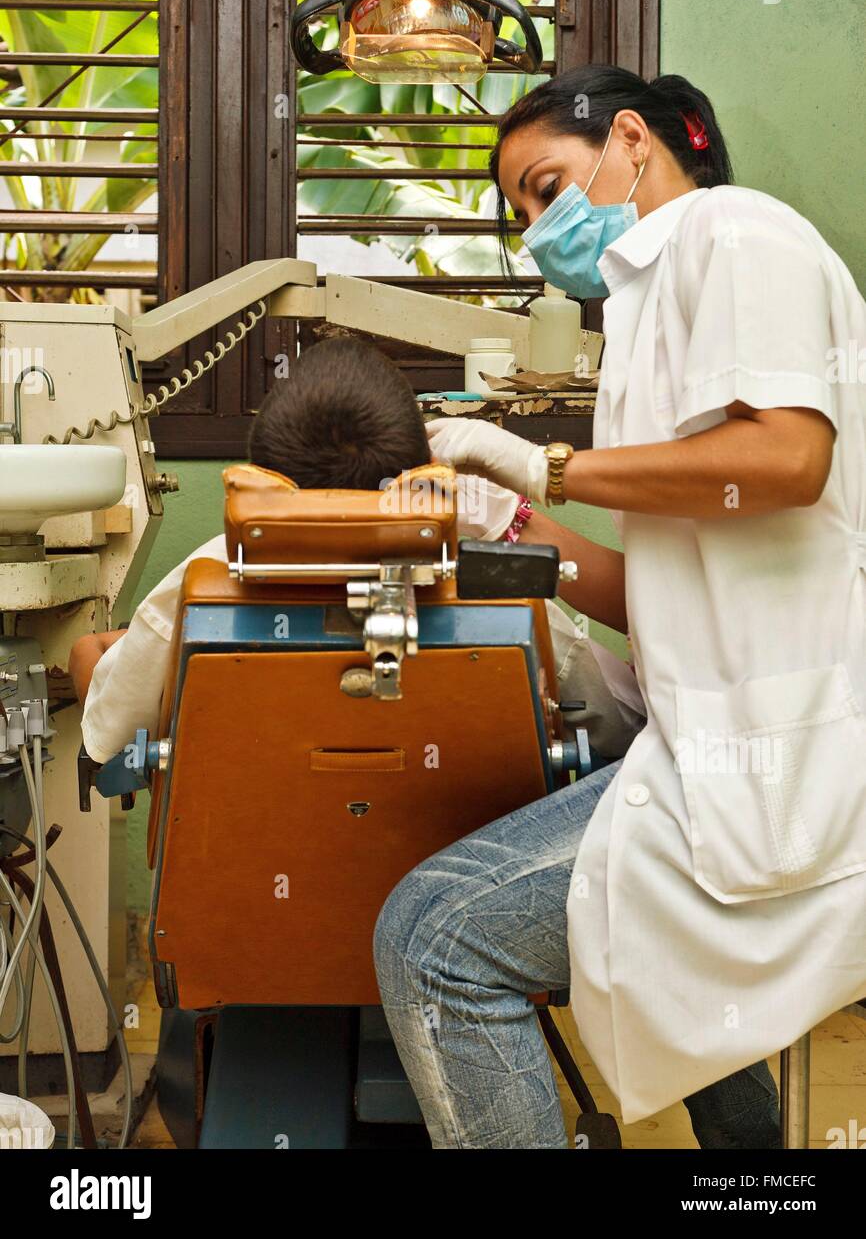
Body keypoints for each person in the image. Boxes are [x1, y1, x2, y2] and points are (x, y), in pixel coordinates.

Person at [72, 332, 767, 1148]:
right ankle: (755, 1156)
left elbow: (107, 732)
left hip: (262, 931)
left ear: (261, 474)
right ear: (420, 466)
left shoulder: (198, 590)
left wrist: (96, 658)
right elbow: (616, 730)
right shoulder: (509, 606)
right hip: (470, 933)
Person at [373, 62, 866, 1147]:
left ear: (631, 141)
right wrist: (513, 523)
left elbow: (786, 459)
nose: (536, 228)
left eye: (546, 187)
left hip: (779, 761)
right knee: (686, 1003)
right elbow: (662, 595)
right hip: (720, 741)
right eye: (518, 214)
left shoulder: (733, 234)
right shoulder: (648, 310)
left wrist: (546, 466)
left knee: (431, 939)